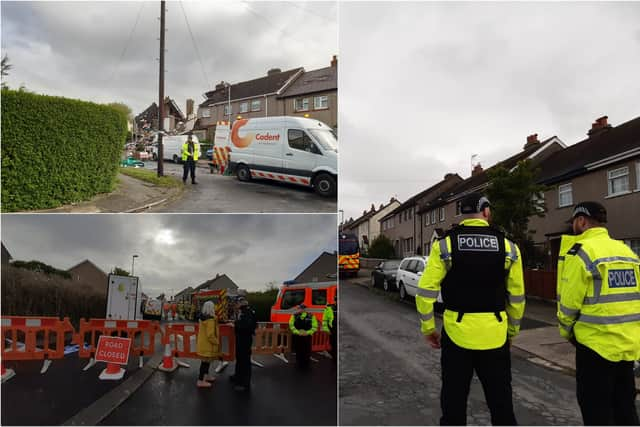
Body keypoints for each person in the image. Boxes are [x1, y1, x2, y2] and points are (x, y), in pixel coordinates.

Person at [416, 192, 525, 426]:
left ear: (462, 215)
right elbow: (517, 298)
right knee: (501, 404)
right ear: (486, 212)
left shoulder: (445, 244)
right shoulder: (508, 247)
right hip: (495, 335)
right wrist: (512, 333)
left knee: (453, 404)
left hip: (456, 335)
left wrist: (428, 328)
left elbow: (425, 291)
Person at [556, 201, 640, 425]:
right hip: (627, 348)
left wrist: (566, 331)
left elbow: (569, 304)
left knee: (597, 412)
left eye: (574, 221)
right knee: (625, 409)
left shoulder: (581, 252)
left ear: (581, 221)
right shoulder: (627, 252)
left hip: (594, 348)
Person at [230, 297, 257, 392]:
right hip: (241, 339)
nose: (235, 305)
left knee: (245, 361)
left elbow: (247, 326)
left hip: (245, 339)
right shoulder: (242, 311)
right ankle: (237, 376)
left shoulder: (247, 312)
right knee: (239, 358)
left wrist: (235, 325)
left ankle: (245, 383)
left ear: (241, 303)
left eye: (236, 303)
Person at [195, 300, 219, 388]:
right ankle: (201, 380)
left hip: (203, 344)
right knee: (205, 363)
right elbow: (210, 335)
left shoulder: (202, 318)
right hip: (208, 345)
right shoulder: (210, 320)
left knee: (206, 362)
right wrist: (217, 342)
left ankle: (206, 376)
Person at [289, 303, 318, 369]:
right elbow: (291, 325)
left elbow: (314, 326)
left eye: (303, 308)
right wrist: (297, 332)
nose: (302, 309)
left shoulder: (311, 316)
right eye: (301, 308)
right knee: (298, 350)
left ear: (306, 309)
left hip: (307, 336)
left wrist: (307, 333)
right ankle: (298, 363)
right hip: (297, 336)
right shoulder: (294, 315)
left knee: (306, 350)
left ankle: (306, 364)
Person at [322, 295, 337, 363]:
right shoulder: (329, 308)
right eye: (336, 300)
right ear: (335, 301)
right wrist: (327, 330)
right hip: (332, 330)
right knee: (333, 345)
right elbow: (324, 320)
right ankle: (334, 360)